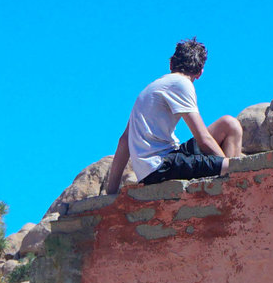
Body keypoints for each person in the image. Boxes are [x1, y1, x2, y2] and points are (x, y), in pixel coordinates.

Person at [104, 38, 243, 193]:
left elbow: (124, 141)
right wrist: (230, 168)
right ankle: (231, 191)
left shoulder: (151, 88)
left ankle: (226, 182)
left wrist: (111, 192)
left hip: (164, 162)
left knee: (229, 124)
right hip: (161, 166)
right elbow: (203, 139)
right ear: (200, 73)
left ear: (171, 64)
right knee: (231, 167)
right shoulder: (181, 84)